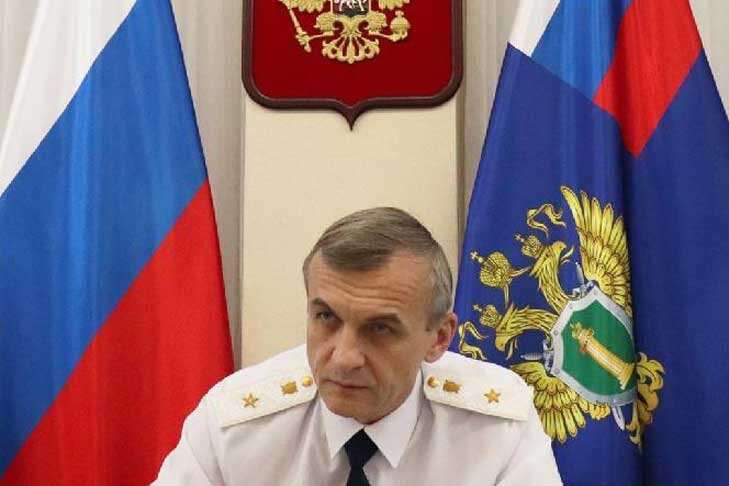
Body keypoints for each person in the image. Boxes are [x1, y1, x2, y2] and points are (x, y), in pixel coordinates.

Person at [153, 207, 562, 485]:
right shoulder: (235, 425)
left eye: (380, 328)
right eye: (326, 318)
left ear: (439, 337)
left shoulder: (497, 430)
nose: (344, 358)